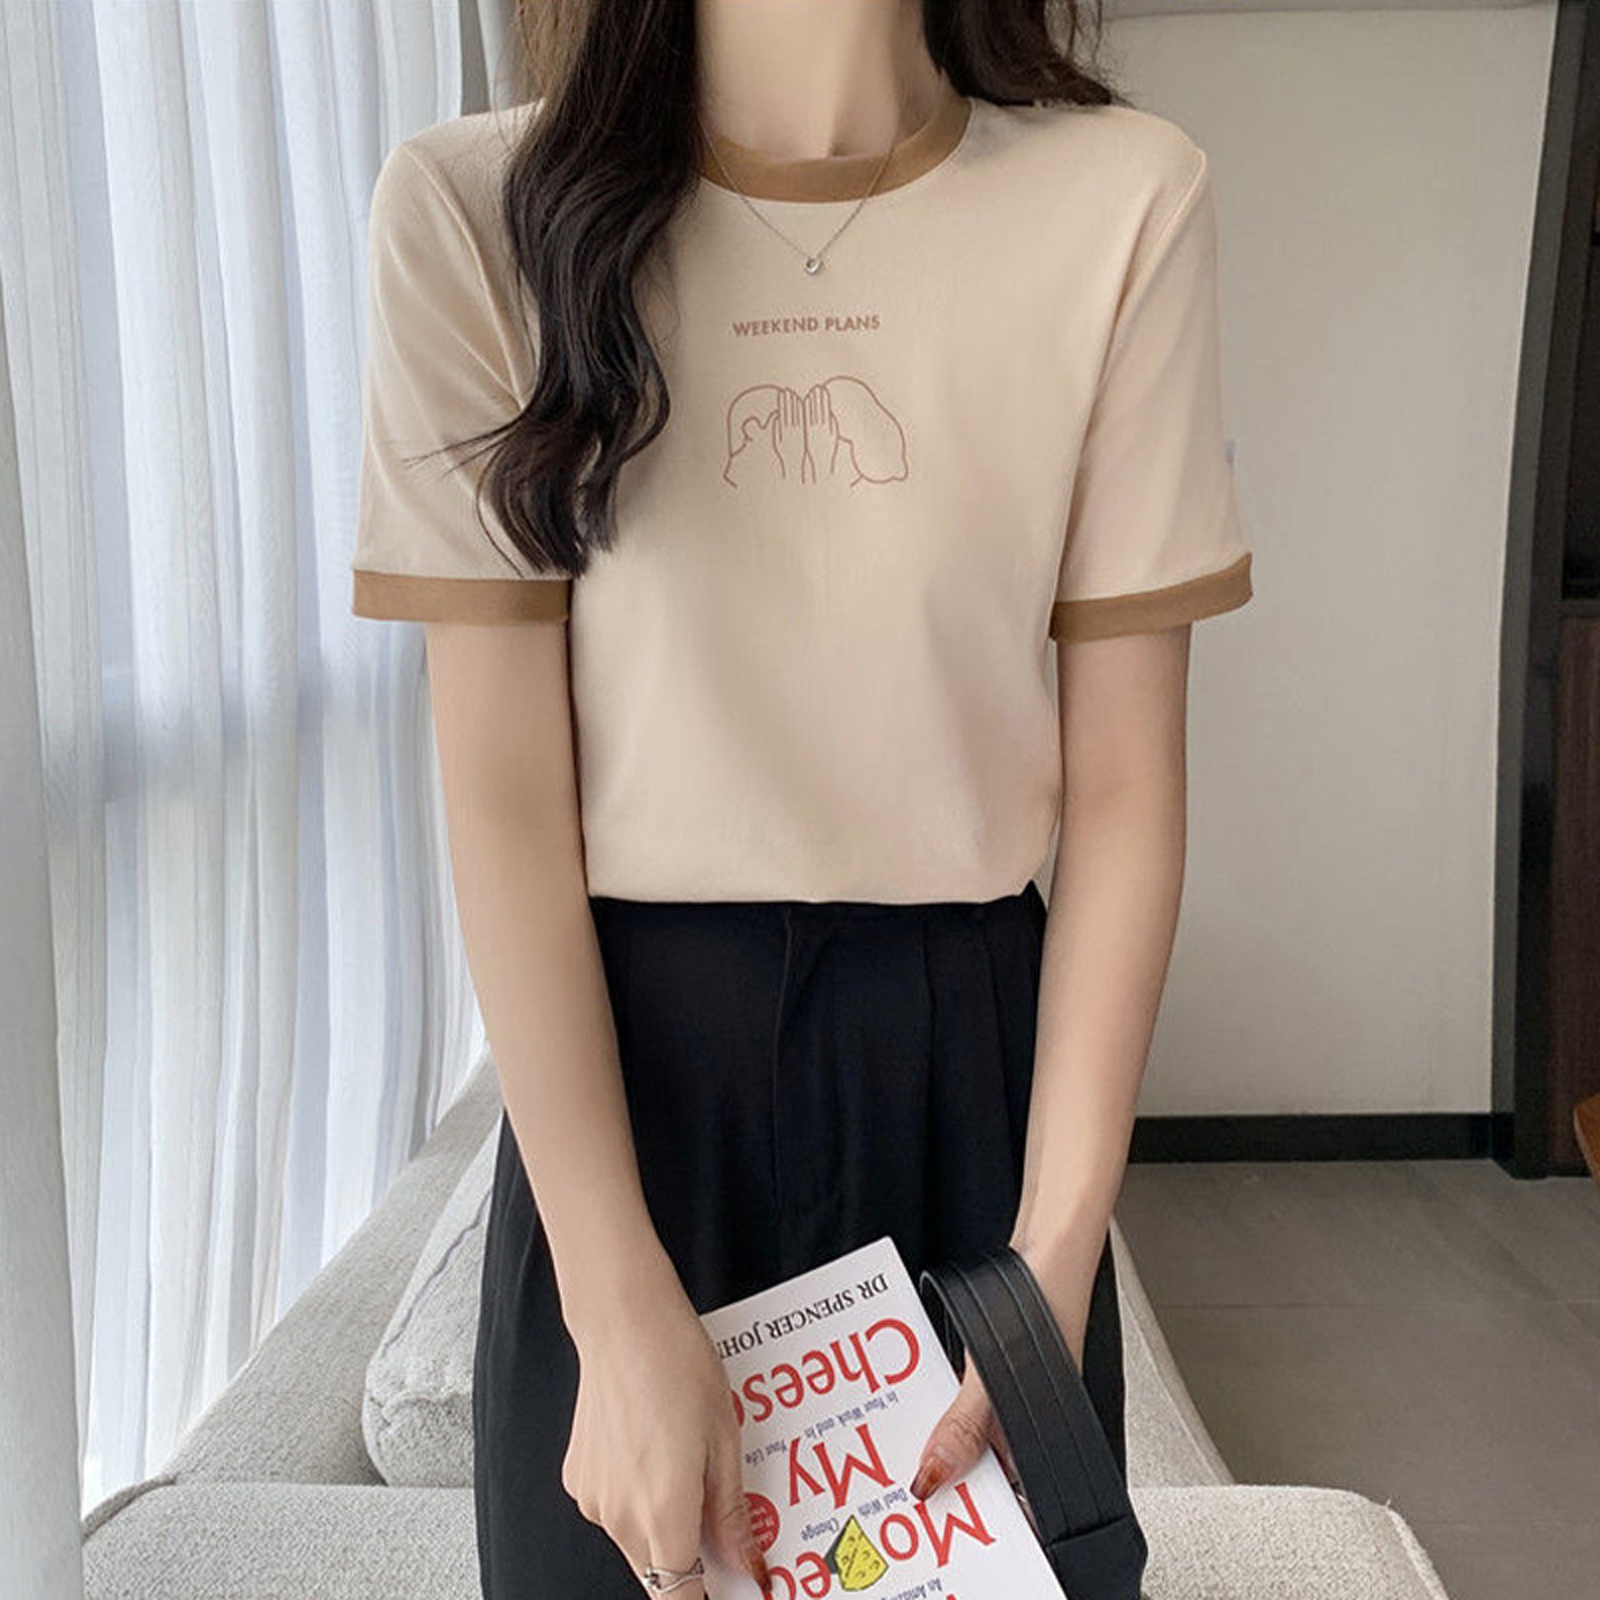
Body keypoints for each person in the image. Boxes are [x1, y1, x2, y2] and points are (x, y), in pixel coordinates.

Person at [349, 1, 1253, 1596]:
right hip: (630, 1109)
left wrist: (1052, 1261)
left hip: (971, 1086)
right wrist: (614, 1302)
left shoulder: (1125, 199)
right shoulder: (475, 213)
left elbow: (1125, 788)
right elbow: (502, 801)